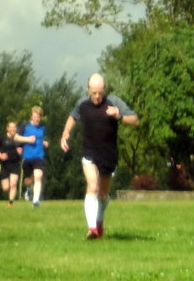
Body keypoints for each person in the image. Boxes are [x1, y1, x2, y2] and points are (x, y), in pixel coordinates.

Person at [60, 73, 139, 239]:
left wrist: (119, 116)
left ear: (104, 89)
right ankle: (92, 229)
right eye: (94, 92)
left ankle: (99, 221)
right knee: (93, 186)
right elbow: (72, 117)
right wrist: (66, 133)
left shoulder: (114, 102)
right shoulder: (82, 103)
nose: (97, 96)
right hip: (89, 152)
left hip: (108, 154)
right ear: (87, 89)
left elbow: (135, 120)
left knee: (102, 194)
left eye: (100, 92)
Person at [16, 106, 49, 207]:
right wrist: (28, 139)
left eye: (38, 117)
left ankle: (35, 201)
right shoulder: (25, 125)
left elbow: (42, 138)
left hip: (39, 156)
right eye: (35, 116)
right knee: (28, 181)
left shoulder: (43, 127)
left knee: (38, 176)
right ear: (31, 116)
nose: (37, 119)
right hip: (27, 157)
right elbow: (16, 137)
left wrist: (44, 142)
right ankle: (28, 189)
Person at [0, 121, 22, 207]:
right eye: (11, 127)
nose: (13, 129)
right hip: (4, 164)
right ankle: (12, 193)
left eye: (14, 127)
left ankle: (10, 203)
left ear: (16, 129)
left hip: (15, 164)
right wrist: (0, 155)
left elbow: (22, 149)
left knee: (13, 183)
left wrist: (21, 151)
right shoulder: (2, 138)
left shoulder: (19, 139)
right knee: (5, 188)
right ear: (7, 128)